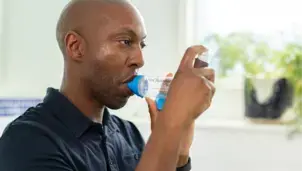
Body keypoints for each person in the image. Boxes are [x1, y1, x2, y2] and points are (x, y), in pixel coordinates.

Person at [0, 0, 215, 171]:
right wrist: (170, 126)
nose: (140, 60)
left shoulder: (128, 134)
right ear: (76, 47)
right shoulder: (27, 141)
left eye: (142, 45)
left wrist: (178, 153)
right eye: (125, 42)